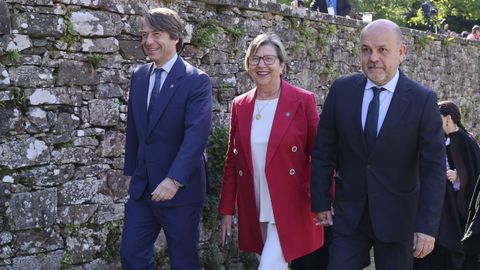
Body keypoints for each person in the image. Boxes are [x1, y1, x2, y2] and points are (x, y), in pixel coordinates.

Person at [311, 19, 446, 270]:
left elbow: (434, 169)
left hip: (399, 219)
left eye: (382, 50)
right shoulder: (342, 91)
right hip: (349, 215)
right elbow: (323, 151)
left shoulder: (422, 100)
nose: (373, 58)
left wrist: (427, 227)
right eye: (366, 50)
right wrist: (320, 200)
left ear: (401, 52)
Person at [218, 33, 324, 270]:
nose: (261, 65)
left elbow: (320, 155)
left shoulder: (302, 101)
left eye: (268, 59)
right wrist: (226, 210)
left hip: (290, 204)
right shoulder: (240, 105)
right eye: (255, 59)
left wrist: (324, 200)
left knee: (269, 267)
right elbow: (232, 162)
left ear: (281, 64)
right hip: (253, 202)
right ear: (248, 65)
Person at [120, 7, 212, 270]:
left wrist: (174, 179)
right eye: (145, 35)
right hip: (143, 189)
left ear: (175, 37)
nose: (148, 41)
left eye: (156, 34)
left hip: (180, 191)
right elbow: (136, 132)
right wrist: (133, 173)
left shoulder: (197, 81)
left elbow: (197, 135)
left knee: (183, 262)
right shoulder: (139, 76)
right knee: (132, 256)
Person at [437, 101, 480, 270]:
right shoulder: (442, 141)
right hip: (448, 205)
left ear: (448, 119)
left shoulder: (465, 140)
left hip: (463, 207)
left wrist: (458, 176)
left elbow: (474, 171)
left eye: (438, 119)